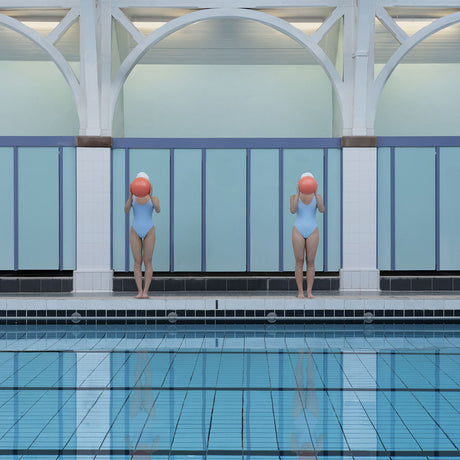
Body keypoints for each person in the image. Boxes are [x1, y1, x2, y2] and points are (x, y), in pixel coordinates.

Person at [124, 172, 160, 299]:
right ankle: (139, 291)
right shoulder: (133, 199)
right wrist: (130, 195)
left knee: (148, 261)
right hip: (135, 230)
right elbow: (126, 210)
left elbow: (158, 209)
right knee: (137, 262)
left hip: (149, 230)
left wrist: (150, 194)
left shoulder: (153, 198)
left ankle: (146, 291)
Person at [290, 173, 325, 299]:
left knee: (311, 261)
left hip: (312, 230)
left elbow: (322, 209)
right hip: (298, 230)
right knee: (299, 261)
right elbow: (293, 210)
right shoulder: (294, 197)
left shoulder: (318, 197)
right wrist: (298, 193)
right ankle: (300, 292)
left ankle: (309, 291)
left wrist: (316, 193)